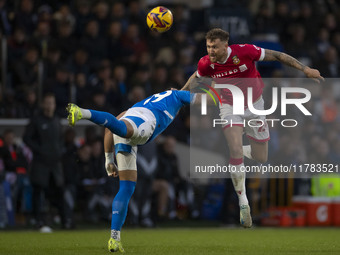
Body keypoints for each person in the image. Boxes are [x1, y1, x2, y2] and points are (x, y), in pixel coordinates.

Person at [181, 28, 324, 228]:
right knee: (236, 149)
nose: (211, 50)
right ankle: (243, 203)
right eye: (208, 46)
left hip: (255, 106)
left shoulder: (245, 52)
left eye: (214, 46)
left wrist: (305, 69)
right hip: (229, 106)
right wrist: (179, 95)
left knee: (261, 157)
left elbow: (277, 55)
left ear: (225, 45)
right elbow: (196, 78)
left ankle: (238, 153)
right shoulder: (206, 63)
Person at [67, 89, 195, 252]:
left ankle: (115, 239)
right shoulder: (177, 95)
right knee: (121, 128)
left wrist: (109, 160)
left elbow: (108, 129)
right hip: (145, 124)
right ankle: (82, 112)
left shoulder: (143, 103)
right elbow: (203, 98)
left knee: (127, 188)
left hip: (129, 136)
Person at [23, 93, 65, 232]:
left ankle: (63, 220)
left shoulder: (57, 121)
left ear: (54, 105)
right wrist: (39, 150)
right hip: (41, 162)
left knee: (58, 191)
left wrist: (60, 151)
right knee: (38, 190)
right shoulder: (36, 120)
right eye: (47, 103)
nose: (49, 106)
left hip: (55, 162)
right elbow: (26, 138)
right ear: (42, 104)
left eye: (51, 103)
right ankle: (38, 220)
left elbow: (60, 139)